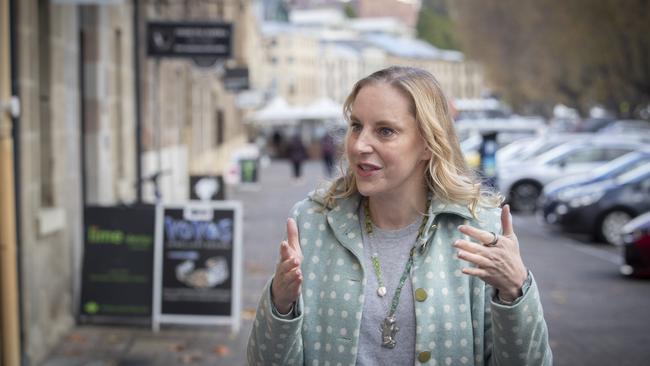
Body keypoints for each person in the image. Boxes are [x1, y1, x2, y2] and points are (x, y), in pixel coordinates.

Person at [247, 66, 552, 365]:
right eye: (356, 126)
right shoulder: (312, 223)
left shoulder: (478, 228)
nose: (360, 145)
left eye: (385, 131)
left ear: (428, 145)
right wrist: (280, 302)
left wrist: (515, 291)